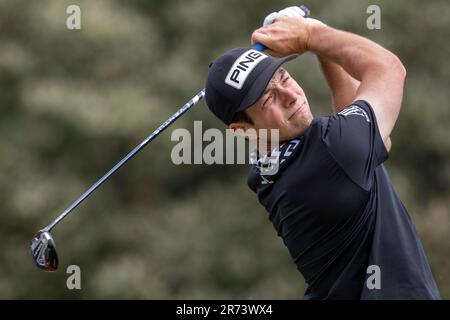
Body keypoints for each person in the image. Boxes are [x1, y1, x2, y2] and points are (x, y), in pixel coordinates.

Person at [204, 11, 440, 300]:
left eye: (284, 77)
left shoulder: (274, 166)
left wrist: (319, 44)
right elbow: (389, 69)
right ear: (242, 130)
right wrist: (310, 36)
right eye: (268, 98)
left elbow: (368, 135)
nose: (290, 95)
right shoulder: (330, 153)